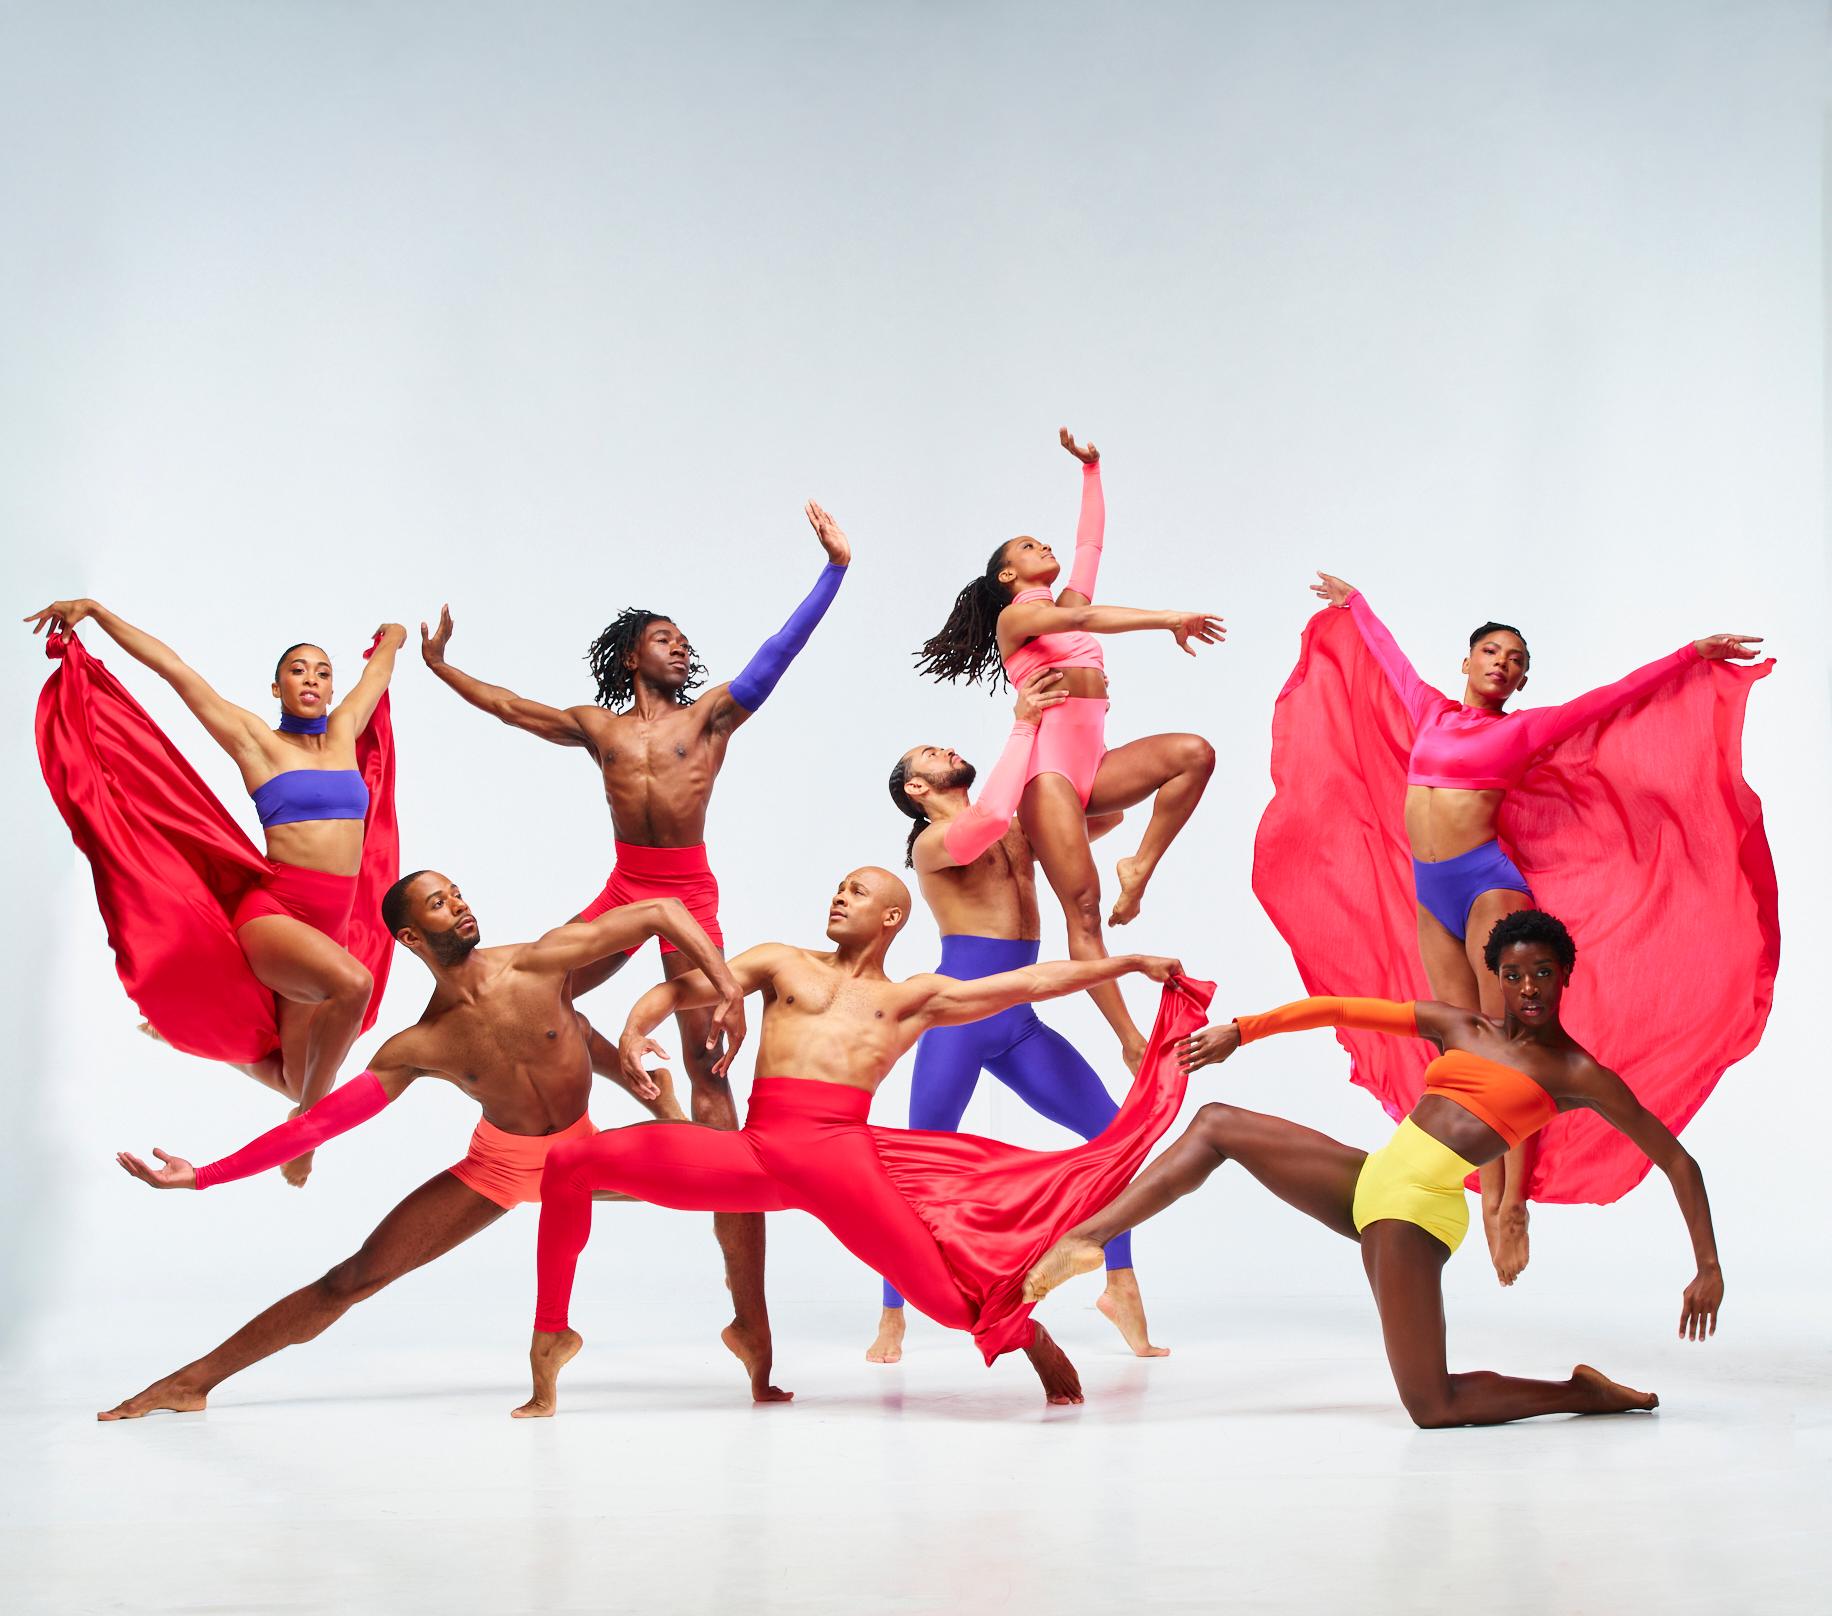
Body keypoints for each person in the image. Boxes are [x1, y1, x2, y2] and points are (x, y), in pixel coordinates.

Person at [419, 500, 851, 1396]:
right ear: (632, 657)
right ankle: (623, 1088)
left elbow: (780, 650)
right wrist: (441, 666)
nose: (682, 649)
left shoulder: (713, 718)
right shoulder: (600, 728)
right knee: (532, 999)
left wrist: (833, 572)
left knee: (714, 1079)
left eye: (687, 640)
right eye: (665, 638)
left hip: (688, 892)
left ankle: (748, 1316)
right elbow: (512, 710)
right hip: (624, 890)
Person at [515, 867, 1210, 1417]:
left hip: (843, 1165)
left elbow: (1029, 980)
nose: (839, 898)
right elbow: (678, 992)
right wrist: (637, 1029)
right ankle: (553, 1336)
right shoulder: (780, 961)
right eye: (838, 888)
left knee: (952, 1307)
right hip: (756, 1154)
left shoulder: (913, 997)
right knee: (572, 1163)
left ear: (891, 919)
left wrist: (1126, 964)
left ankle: (1030, 1336)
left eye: (857, 890)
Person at [1253, 574, 1774, 1279]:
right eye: (1493, 652)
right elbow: (1389, 660)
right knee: (1456, 1045)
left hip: (1484, 888)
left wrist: (1689, 656)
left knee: (1508, 1046)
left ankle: (1509, 1203)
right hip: (1429, 893)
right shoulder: (1429, 711)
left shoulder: (1525, 729)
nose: (1504, 662)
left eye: (1517, 659)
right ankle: (1474, 1185)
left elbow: (1610, 701)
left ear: (1522, 681)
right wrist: (1357, 605)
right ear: (1466, 663)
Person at [1024, 910, 1724, 1427]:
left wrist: (1707, 1266)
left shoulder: (1578, 1073)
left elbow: (1678, 1161)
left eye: (1543, 973)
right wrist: (1243, 1029)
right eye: (1514, 975)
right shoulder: (1461, 1027)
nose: (1529, 988)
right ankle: (1086, 1239)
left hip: (1415, 1212)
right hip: (1372, 1182)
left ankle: (1583, 1394)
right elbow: (1342, 1008)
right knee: (1217, 1125)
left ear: (1565, 975)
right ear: (1498, 979)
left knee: (1431, 1405)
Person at [98, 871, 739, 1420]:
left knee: (747, 1173)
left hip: (587, 1156)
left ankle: (747, 1311)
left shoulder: (541, 962)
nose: (459, 905)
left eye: (458, 894)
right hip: (500, 1170)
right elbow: (314, 1125)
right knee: (348, 1280)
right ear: (409, 937)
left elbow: (661, 912)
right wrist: (203, 1175)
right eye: (439, 902)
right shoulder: (420, 1045)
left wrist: (725, 988)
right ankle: (193, 1382)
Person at [29, 599, 405, 1185]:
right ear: (277, 687)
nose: (312, 679)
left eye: (323, 671)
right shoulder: (254, 739)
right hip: (277, 914)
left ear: (332, 689)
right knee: (352, 987)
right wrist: (98, 615)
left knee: (292, 1072)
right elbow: (174, 670)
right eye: (298, 670)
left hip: (328, 931)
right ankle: (307, 1130)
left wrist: (395, 634)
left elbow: (380, 669)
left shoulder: (344, 732)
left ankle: (199, 1035)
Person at [873, 668, 1163, 1363]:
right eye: (931, 756)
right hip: (958, 1021)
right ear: (917, 790)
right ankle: (892, 1314)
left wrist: (1075, 739)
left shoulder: (1011, 826)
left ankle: (1117, 1283)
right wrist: (1024, 725)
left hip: (1019, 1023)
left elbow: (1104, 814)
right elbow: (989, 822)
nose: (945, 752)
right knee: (916, 1173)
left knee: (1113, 1140)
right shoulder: (934, 844)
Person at [916, 429, 1219, 1073]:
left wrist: (1091, 469)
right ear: (1008, 574)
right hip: (1047, 777)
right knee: (1082, 913)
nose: (1045, 547)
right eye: (1029, 546)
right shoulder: (1017, 620)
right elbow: (1082, 622)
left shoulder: (1067, 598)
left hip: (1094, 767)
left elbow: (1090, 544)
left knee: (1194, 752)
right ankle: (1129, 1040)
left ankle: (1138, 866)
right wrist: (1168, 617)